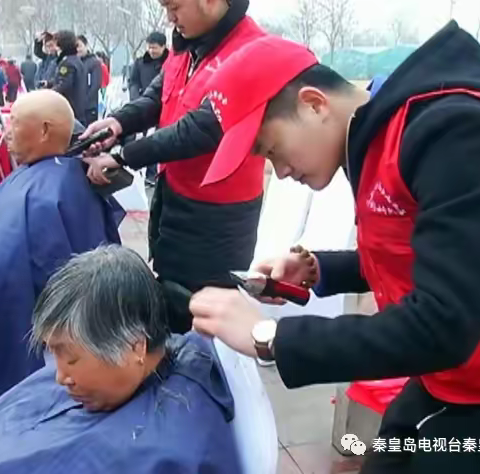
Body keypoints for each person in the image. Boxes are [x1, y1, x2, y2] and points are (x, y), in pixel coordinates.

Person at [190, 24, 480, 474]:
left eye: (271, 150)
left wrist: (270, 338)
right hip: (443, 380)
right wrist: (317, 271)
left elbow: (445, 320)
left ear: (313, 103)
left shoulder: (449, 132)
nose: (280, 172)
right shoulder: (369, 141)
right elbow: (430, 253)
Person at [81, 0, 266, 334]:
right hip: (172, 196)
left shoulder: (251, 52)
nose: (169, 17)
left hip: (216, 215)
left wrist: (124, 156)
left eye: (174, 6)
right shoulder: (186, 47)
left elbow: (201, 129)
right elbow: (157, 98)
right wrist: (118, 123)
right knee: (169, 294)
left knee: (204, 315)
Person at [0, 245, 241, 474]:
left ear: (136, 346)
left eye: (71, 359)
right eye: (53, 353)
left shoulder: (162, 455)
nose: (60, 377)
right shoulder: (153, 358)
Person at [0, 90, 121, 396]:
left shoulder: (54, 193)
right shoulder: (46, 178)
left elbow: (67, 275)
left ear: (44, 130)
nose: (6, 134)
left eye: (13, 124)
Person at [129, 31, 169, 186]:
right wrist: (136, 99)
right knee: (142, 140)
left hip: (164, 108)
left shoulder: (171, 62)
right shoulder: (140, 63)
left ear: (163, 47)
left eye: (155, 48)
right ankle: (139, 172)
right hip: (144, 106)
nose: (152, 51)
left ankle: (153, 174)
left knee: (158, 141)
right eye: (149, 47)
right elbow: (133, 82)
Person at [49, 30, 87, 125]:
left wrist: (48, 94)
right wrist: (49, 83)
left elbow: (64, 85)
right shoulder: (77, 61)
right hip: (79, 109)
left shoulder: (67, 63)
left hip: (69, 110)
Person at [77, 35, 102, 126]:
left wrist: (85, 102)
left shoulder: (94, 63)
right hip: (76, 109)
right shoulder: (75, 63)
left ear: (86, 45)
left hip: (89, 108)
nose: (77, 49)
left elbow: (95, 85)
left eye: (79, 46)